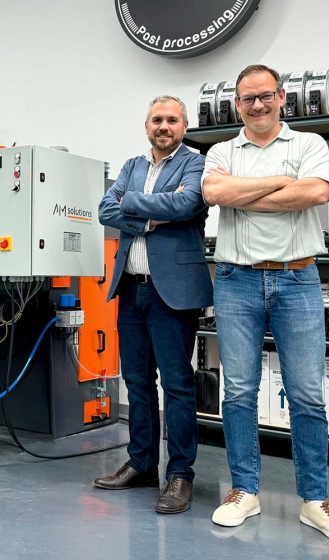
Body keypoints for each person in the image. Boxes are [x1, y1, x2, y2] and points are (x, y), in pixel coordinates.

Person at [201, 64, 329, 546]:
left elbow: (316, 192)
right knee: (239, 392)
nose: (257, 105)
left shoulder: (310, 144)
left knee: (308, 395)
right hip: (234, 281)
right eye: (247, 99)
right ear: (237, 105)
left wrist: (245, 192)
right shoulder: (220, 150)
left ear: (281, 97)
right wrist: (281, 186)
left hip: (298, 278)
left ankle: (315, 501)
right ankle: (244, 491)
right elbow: (214, 192)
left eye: (264, 96)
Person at [95, 95, 212, 515]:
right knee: (138, 383)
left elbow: (186, 204)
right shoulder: (131, 166)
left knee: (178, 386)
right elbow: (105, 208)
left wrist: (132, 204)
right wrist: (150, 217)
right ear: (147, 126)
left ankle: (180, 474)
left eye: (172, 120)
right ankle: (143, 463)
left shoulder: (197, 163)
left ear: (184, 127)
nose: (164, 126)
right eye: (157, 120)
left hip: (174, 292)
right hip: (130, 288)